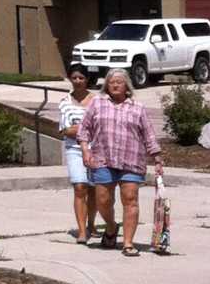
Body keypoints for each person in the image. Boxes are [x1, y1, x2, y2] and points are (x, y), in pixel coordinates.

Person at [78, 70, 162, 258]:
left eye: (119, 82)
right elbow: (84, 129)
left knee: (130, 199)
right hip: (102, 158)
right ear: (106, 85)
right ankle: (111, 226)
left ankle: (128, 243)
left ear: (127, 86)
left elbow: (148, 134)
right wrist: (85, 150)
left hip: (131, 160)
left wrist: (156, 156)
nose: (115, 85)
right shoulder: (97, 103)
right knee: (102, 201)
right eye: (111, 82)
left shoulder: (137, 108)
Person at [56, 63, 99, 244]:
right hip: (74, 150)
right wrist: (86, 127)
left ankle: (92, 224)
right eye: (74, 78)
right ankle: (82, 231)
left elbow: (101, 127)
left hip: (96, 150)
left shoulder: (98, 101)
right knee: (80, 187)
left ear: (87, 79)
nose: (78, 81)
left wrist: (78, 127)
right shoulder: (65, 102)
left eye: (81, 78)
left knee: (94, 189)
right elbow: (65, 130)